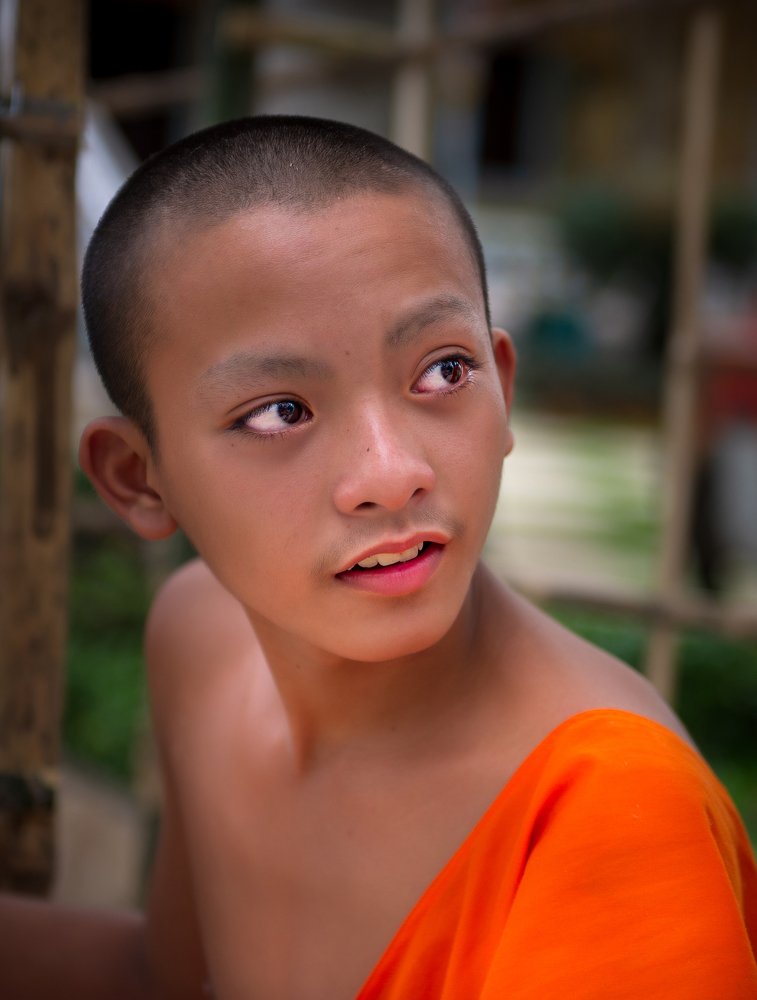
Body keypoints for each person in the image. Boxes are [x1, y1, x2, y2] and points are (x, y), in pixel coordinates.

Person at [2, 115, 756, 999]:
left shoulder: (609, 817)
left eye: (441, 371)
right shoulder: (200, 637)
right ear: (138, 480)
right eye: (279, 412)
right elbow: (168, 977)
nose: (392, 475)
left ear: (502, 388)